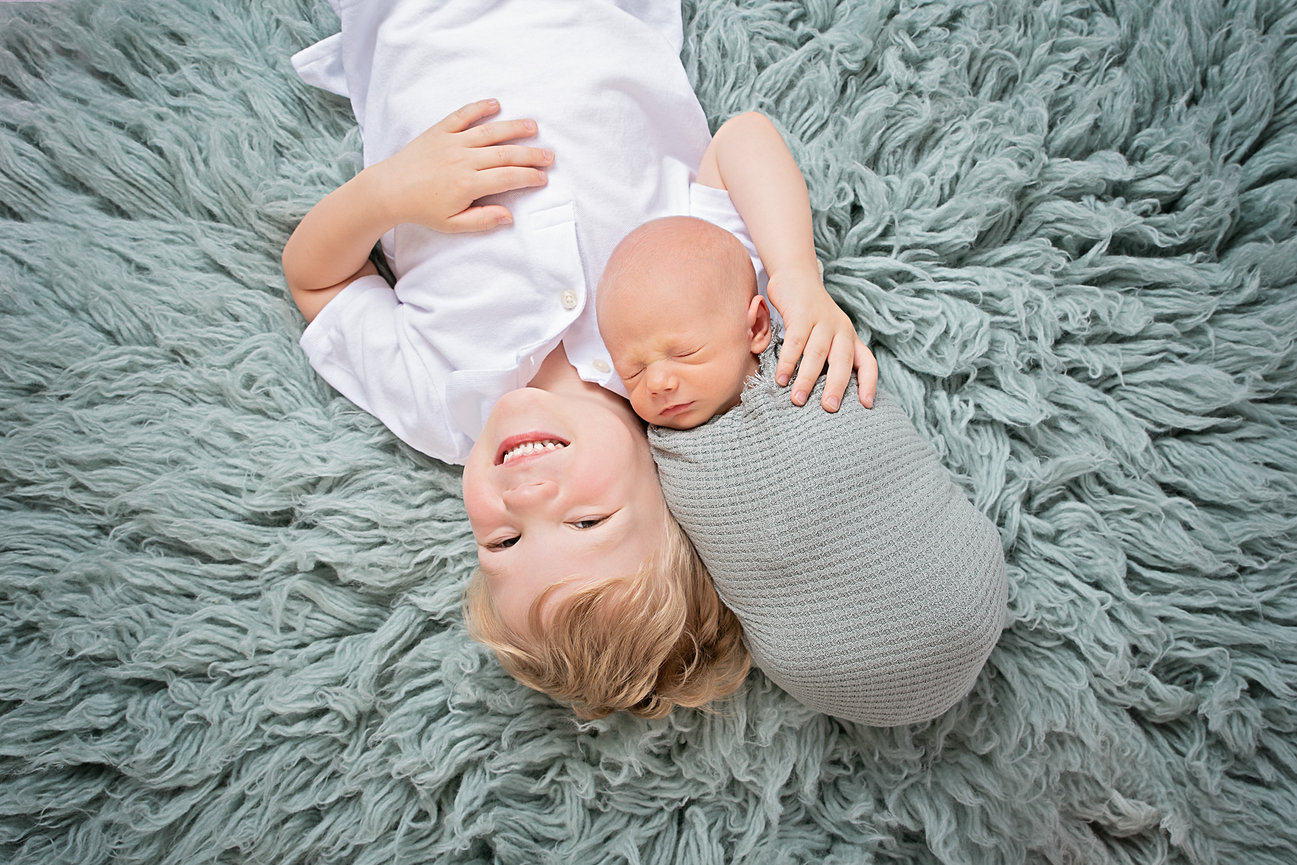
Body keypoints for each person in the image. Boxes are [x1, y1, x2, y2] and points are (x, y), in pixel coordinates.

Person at [281, 0, 875, 718]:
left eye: (501, 539)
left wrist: (387, 193)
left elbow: (318, 279)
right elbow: (743, 142)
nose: (527, 498)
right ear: (669, 498)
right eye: (585, 523)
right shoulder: (691, 340)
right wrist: (796, 277)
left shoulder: (438, 403)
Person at [596, 216, 1009, 726]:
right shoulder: (656, 447)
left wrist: (797, 277)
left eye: (683, 353)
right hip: (823, 666)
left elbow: (744, 138)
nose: (657, 381)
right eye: (632, 370)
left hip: (959, 589)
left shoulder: (803, 350)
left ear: (756, 327)